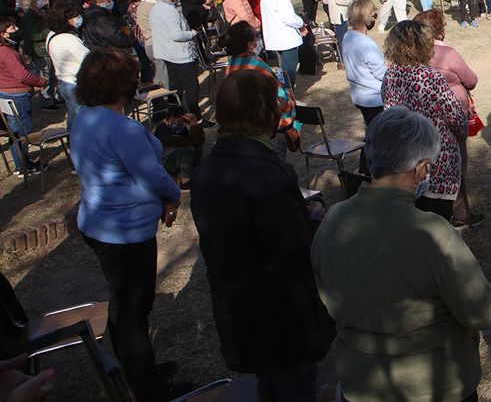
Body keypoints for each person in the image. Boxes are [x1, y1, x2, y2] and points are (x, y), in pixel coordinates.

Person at [311, 106, 491, 402]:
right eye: (431, 168)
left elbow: (326, 297)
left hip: (360, 383)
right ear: (421, 169)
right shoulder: (433, 233)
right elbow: (480, 310)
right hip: (435, 386)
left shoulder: (333, 221)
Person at [191, 71, 334, 401]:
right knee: (292, 389)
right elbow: (294, 254)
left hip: (240, 312)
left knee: (271, 387)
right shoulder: (266, 174)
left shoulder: (208, 167)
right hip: (281, 321)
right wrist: (315, 220)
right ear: (268, 115)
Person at [70, 48, 187, 401]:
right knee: (134, 308)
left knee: (125, 303)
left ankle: (138, 368)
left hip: (99, 222)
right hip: (123, 232)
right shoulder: (121, 128)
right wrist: (174, 195)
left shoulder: (83, 118)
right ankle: (146, 386)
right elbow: (152, 173)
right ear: (122, 84)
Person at [380, 21, 467, 221]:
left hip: (405, 162)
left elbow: (389, 114)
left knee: (414, 222)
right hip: (437, 161)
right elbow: (455, 119)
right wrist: (461, 134)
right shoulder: (431, 77)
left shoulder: (390, 76)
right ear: (423, 45)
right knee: (438, 223)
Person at [413, 9, 480, 228]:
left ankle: (439, 209)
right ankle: (460, 213)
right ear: (439, 29)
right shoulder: (447, 53)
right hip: (450, 117)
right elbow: (470, 80)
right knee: (456, 162)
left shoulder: (412, 54)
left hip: (422, 119)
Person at [223, 22, 300, 159]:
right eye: (256, 38)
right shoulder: (256, 65)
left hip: (242, 126)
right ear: (250, 44)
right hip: (264, 127)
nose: (259, 41)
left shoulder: (232, 64)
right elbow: (279, 96)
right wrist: (290, 112)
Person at [149, 0, 204, 121]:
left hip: (168, 53)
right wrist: (191, 33)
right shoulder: (168, 10)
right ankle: (195, 117)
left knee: (176, 87)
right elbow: (177, 34)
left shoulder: (156, 8)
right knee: (191, 86)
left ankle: (175, 116)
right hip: (179, 54)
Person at [0, 18, 46, 174]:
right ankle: (24, 166)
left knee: (15, 131)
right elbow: (21, 75)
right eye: (12, 28)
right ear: (2, 34)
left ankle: (21, 164)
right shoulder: (7, 52)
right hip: (17, 96)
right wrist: (40, 81)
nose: (17, 29)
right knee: (22, 132)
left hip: (7, 93)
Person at [342, 0, 386, 130]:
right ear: (366, 18)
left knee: (371, 130)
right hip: (374, 99)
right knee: (379, 135)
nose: (375, 19)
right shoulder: (366, 43)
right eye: (374, 15)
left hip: (358, 95)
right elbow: (381, 74)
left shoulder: (347, 36)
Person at [260, 0, 307, 87]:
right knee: (289, 67)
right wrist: (301, 23)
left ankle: (284, 91)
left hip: (277, 36)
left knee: (284, 67)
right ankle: (287, 94)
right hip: (285, 37)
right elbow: (289, 18)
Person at [45, 2, 88, 130]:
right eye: (74, 16)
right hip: (75, 82)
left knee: (73, 115)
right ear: (65, 20)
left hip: (64, 82)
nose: (78, 18)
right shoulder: (68, 39)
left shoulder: (51, 35)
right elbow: (87, 59)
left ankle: (72, 139)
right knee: (81, 118)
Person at [152, 104, 205, 189]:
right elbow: (191, 141)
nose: (177, 124)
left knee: (197, 148)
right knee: (189, 149)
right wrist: (194, 124)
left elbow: (199, 141)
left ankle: (193, 172)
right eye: (174, 121)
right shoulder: (163, 131)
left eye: (180, 121)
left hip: (175, 158)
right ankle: (185, 180)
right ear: (167, 120)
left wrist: (196, 126)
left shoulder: (183, 129)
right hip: (165, 163)